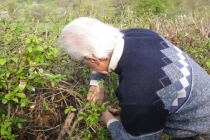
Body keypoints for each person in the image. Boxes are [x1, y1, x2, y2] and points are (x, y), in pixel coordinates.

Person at [59, 17, 210, 140]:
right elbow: (101, 51)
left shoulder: (139, 91)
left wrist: (106, 116)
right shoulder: (138, 35)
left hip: (200, 130)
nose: (88, 67)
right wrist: (96, 84)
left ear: (93, 59)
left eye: (84, 63)